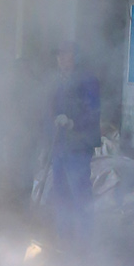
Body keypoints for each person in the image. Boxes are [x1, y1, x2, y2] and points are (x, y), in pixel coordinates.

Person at [47, 43, 101, 233]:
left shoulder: (87, 81)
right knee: (61, 194)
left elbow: (93, 112)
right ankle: (65, 238)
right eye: (59, 55)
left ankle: (84, 242)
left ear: (75, 57)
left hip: (79, 147)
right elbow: (49, 110)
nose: (62, 59)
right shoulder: (57, 81)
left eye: (66, 55)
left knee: (80, 194)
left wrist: (72, 122)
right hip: (59, 147)